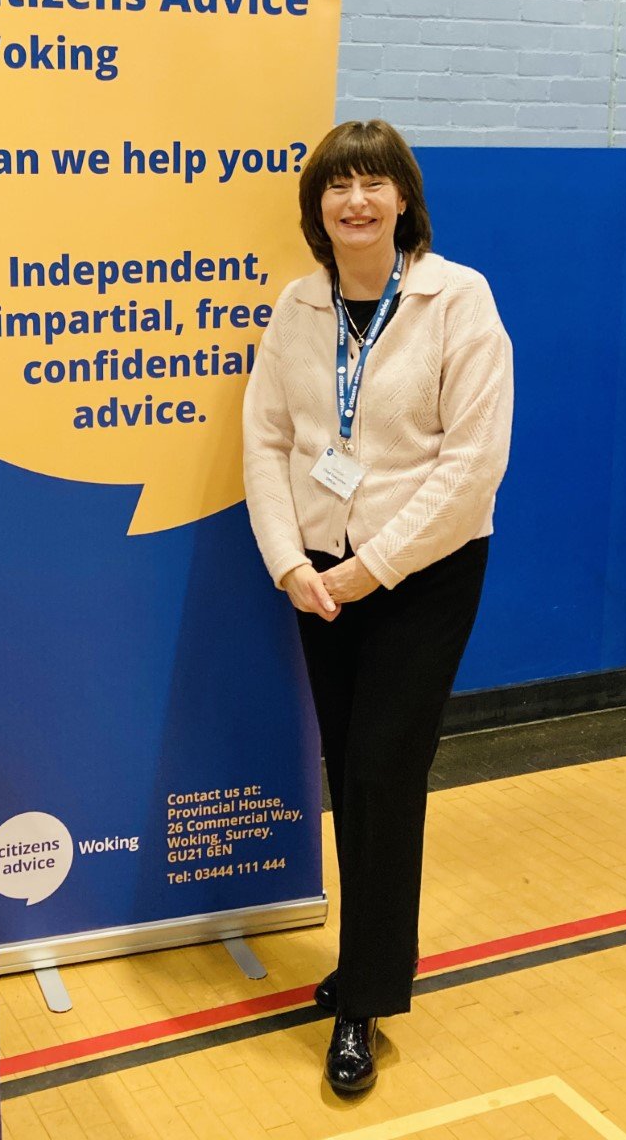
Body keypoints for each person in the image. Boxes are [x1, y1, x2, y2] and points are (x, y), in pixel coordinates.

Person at [243, 120, 513, 1094]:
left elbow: (471, 464)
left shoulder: (458, 299)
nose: (354, 199)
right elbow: (266, 440)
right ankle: (365, 962)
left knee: (381, 772)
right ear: (315, 207)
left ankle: (363, 998)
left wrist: (370, 568)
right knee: (346, 764)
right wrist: (288, 561)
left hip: (422, 575)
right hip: (316, 575)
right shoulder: (297, 304)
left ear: (403, 198)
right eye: (335, 184)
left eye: (373, 181)